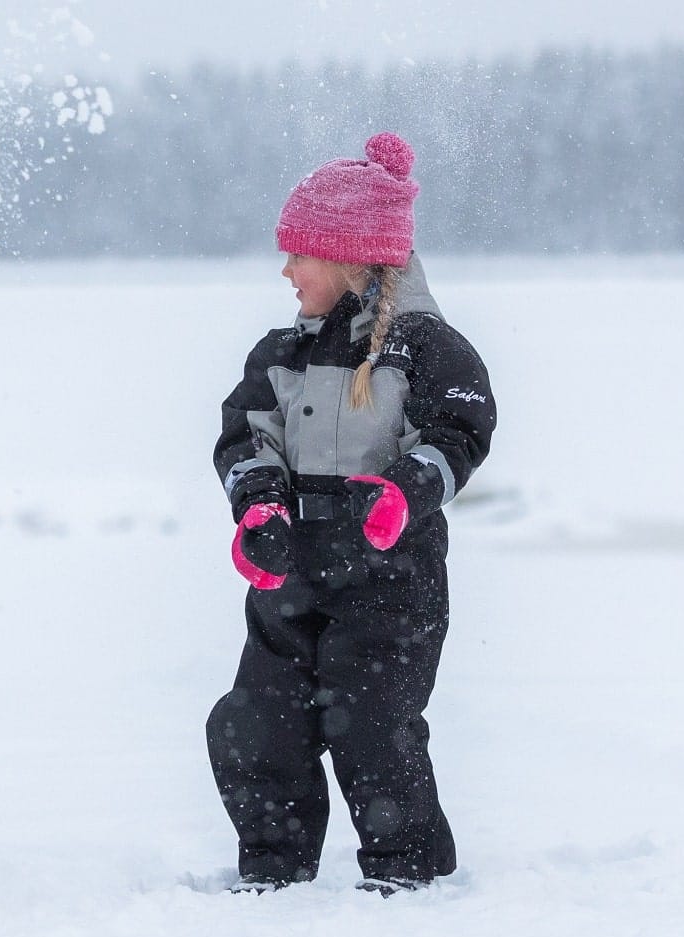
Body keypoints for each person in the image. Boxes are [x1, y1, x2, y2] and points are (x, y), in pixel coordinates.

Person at [206, 132, 495, 896]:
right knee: (255, 719)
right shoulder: (279, 355)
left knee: (369, 721)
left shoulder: (430, 350)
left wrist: (403, 490)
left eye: (298, 254)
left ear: (348, 257)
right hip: (291, 570)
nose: (285, 270)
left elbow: (457, 434)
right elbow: (245, 438)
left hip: (389, 576)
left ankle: (406, 870)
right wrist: (259, 509)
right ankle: (273, 867)